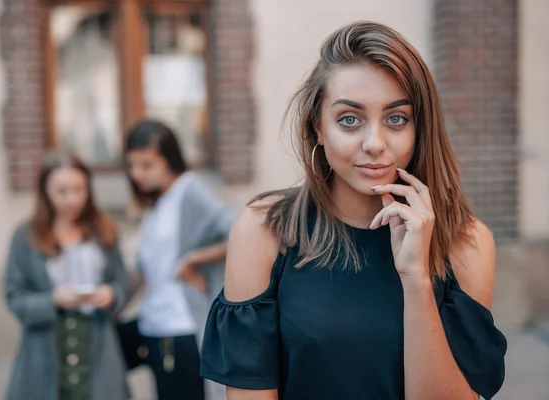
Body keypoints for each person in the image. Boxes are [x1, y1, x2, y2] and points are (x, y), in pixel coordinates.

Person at [200, 21, 508, 400]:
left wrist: (416, 280)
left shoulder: (466, 242)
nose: (375, 143)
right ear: (318, 127)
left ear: (420, 128)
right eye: (350, 119)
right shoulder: (265, 230)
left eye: (396, 118)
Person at [123, 119, 234, 400]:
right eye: (132, 165)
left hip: (180, 329)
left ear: (169, 159)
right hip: (152, 326)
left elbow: (242, 230)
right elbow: (144, 269)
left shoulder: (190, 189)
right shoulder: (157, 202)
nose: (137, 174)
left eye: (146, 165)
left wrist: (194, 259)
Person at [4, 150, 129, 400]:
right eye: (62, 191)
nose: (71, 199)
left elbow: (123, 284)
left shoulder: (104, 230)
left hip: (98, 349)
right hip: (43, 351)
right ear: (45, 191)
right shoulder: (26, 235)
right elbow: (15, 298)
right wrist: (54, 300)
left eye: (78, 189)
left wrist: (111, 294)